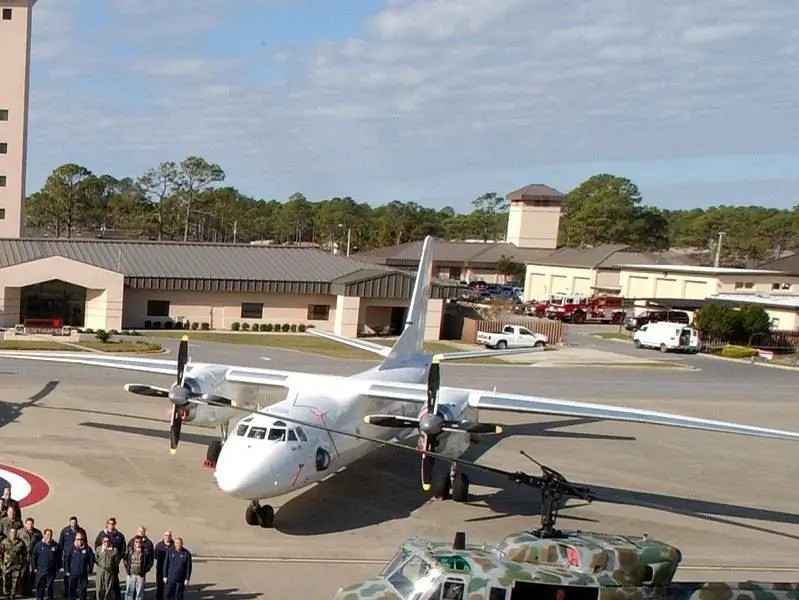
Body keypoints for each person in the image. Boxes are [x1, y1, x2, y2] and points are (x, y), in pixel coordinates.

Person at [59, 517, 85, 599]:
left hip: (78, 555)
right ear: (70, 523)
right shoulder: (65, 531)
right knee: (67, 574)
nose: (73, 524)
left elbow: (85, 542)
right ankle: (67, 591)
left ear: (77, 523)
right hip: (67, 555)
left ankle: (79, 593)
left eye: (74, 523)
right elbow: (61, 543)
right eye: (72, 523)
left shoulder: (81, 531)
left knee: (79, 576)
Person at [33, 529, 61, 600]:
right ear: (44, 535)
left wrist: (59, 567)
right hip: (41, 570)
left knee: (50, 586)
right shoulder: (38, 545)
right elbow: (34, 557)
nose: (49, 536)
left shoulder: (55, 545)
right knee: (41, 587)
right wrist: (35, 568)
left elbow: (59, 557)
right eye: (47, 535)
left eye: (50, 535)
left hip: (51, 571)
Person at [0, 527, 28, 600]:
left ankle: (12, 596)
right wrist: (1, 565)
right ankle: (6, 595)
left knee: (15, 583)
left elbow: (25, 555)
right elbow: (0, 554)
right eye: (12, 532)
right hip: (6, 566)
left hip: (17, 567)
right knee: (6, 582)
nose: (13, 534)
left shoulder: (21, 543)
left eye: (15, 532)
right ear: (9, 533)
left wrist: (23, 566)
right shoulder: (4, 542)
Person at [64, 531, 94, 600]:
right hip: (73, 574)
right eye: (78, 539)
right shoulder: (71, 548)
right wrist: (67, 571)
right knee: (72, 591)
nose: (80, 541)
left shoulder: (87, 549)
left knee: (83, 591)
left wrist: (90, 569)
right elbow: (66, 560)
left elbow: (91, 559)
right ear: (75, 539)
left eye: (81, 539)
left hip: (83, 574)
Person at [19, 517, 43, 596]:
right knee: (23, 573)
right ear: (25, 524)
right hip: (23, 556)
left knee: (32, 574)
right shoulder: (20, 532)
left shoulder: (37, 533)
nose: (30, 526)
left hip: (33, 557)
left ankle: (30, 590)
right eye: (28, 524)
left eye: (31, 524)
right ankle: (23, 589)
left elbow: (41, 544)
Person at [94, 536, 121, 600]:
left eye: (108, 541)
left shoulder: (114, 550)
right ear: (102, 542)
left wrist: (112, 567)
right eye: (105, 541)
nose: (106, 543)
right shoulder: (99, 549)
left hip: (110, 571)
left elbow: (117, 560)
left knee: (108, 588)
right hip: (100, 570)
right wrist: (100, 565)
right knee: (99, 588)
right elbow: (96, 559)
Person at [153, 531, 173, 600]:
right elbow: (155, 556)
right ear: (163, 536)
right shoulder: (159, 546)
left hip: (170, 571)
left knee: (171, 588)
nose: (167, 537)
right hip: (160, 570)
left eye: (169, 535)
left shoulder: (174, 546)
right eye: (166, 535)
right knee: (160, 588)